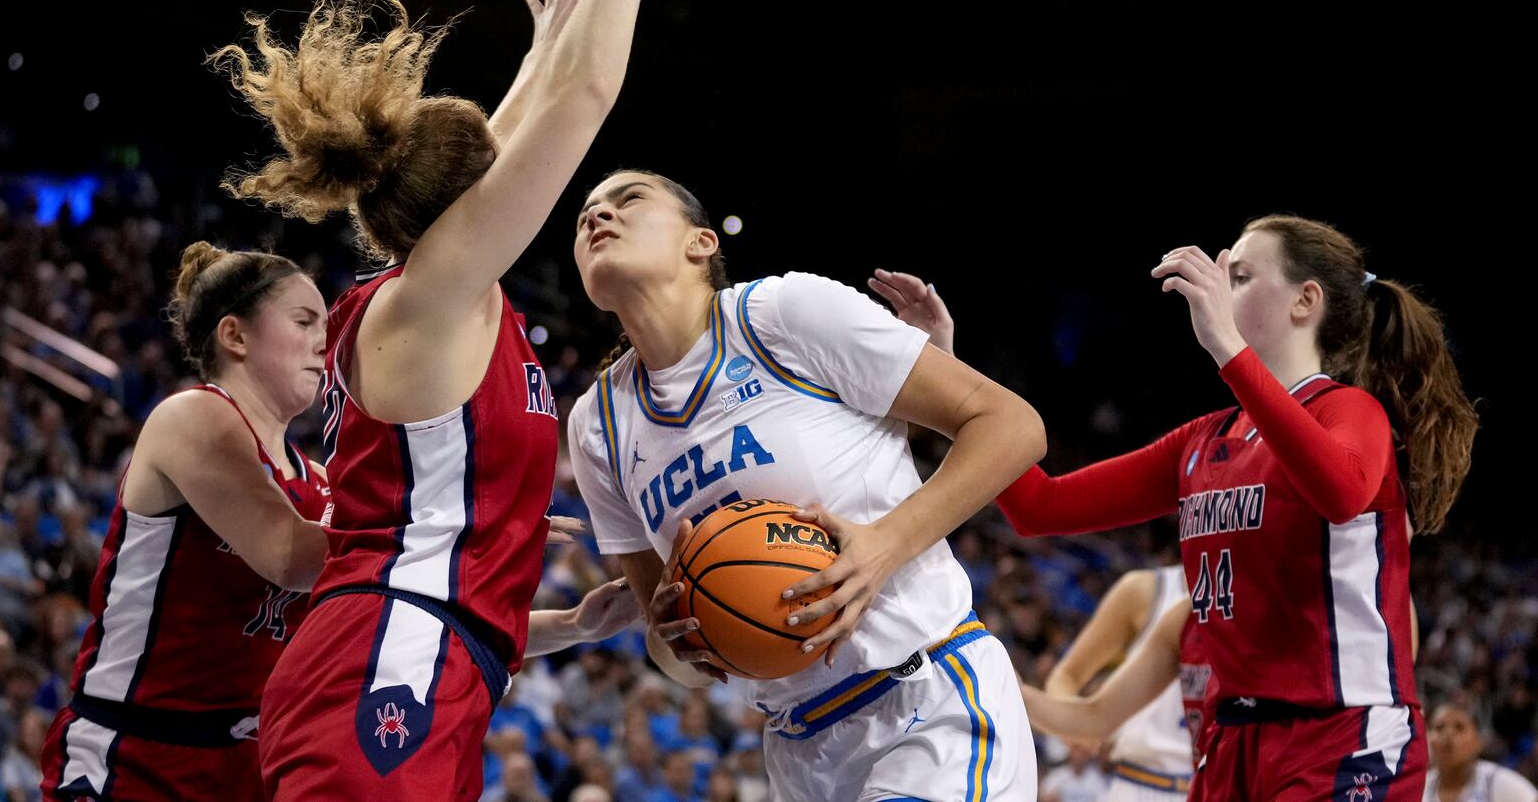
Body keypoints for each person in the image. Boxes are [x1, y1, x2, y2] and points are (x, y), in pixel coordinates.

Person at [215, 0, 674, 800]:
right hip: (382, 664)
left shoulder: (441, 297)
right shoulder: (429, 300)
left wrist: (561, 625)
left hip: (432, 663)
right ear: (469, 211)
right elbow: (584, 103)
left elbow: (496, 144)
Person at [567, 171, 1047, 801]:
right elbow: (671, 656)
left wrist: (884, 544)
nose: (599, 216)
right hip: (797, 752)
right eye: (584, 216)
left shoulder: (781, 315)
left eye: (627, 200)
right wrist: (678, 637)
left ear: (702, 242)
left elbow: (1013, 426)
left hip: (928, 702)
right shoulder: (596, 424)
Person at [982, 217, 1477, 800]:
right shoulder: (1202, 441)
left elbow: (1341, 491)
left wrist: (1227, 346)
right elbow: (1040, 506)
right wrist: (951, 386)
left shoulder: (1350, 411)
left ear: (1305, 301)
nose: (1219, 284)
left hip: (1342, 735)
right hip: (1233, 740)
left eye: (1239, 275)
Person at [39, 243, 332, 801]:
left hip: (246, 766)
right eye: (304, 321)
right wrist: (433, 522)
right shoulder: (191, 416)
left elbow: (385, 589)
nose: (325, 341)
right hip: (137, 756)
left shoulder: (319, 479)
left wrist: (527, 619)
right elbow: (291, 557)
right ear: (235, 336)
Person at [1041, 564, 1192, 800]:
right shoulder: (1146, 590)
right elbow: (1066, 676)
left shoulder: (1259, 595)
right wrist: (1079, 730)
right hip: (1141, 783)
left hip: (1218, 785)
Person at [1423, 698, 1538, 802]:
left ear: (1478, 741)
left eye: (1459, 727)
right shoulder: (1420, 787)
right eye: (1439, 728)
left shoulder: (1500, 783)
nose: (1448, 735)